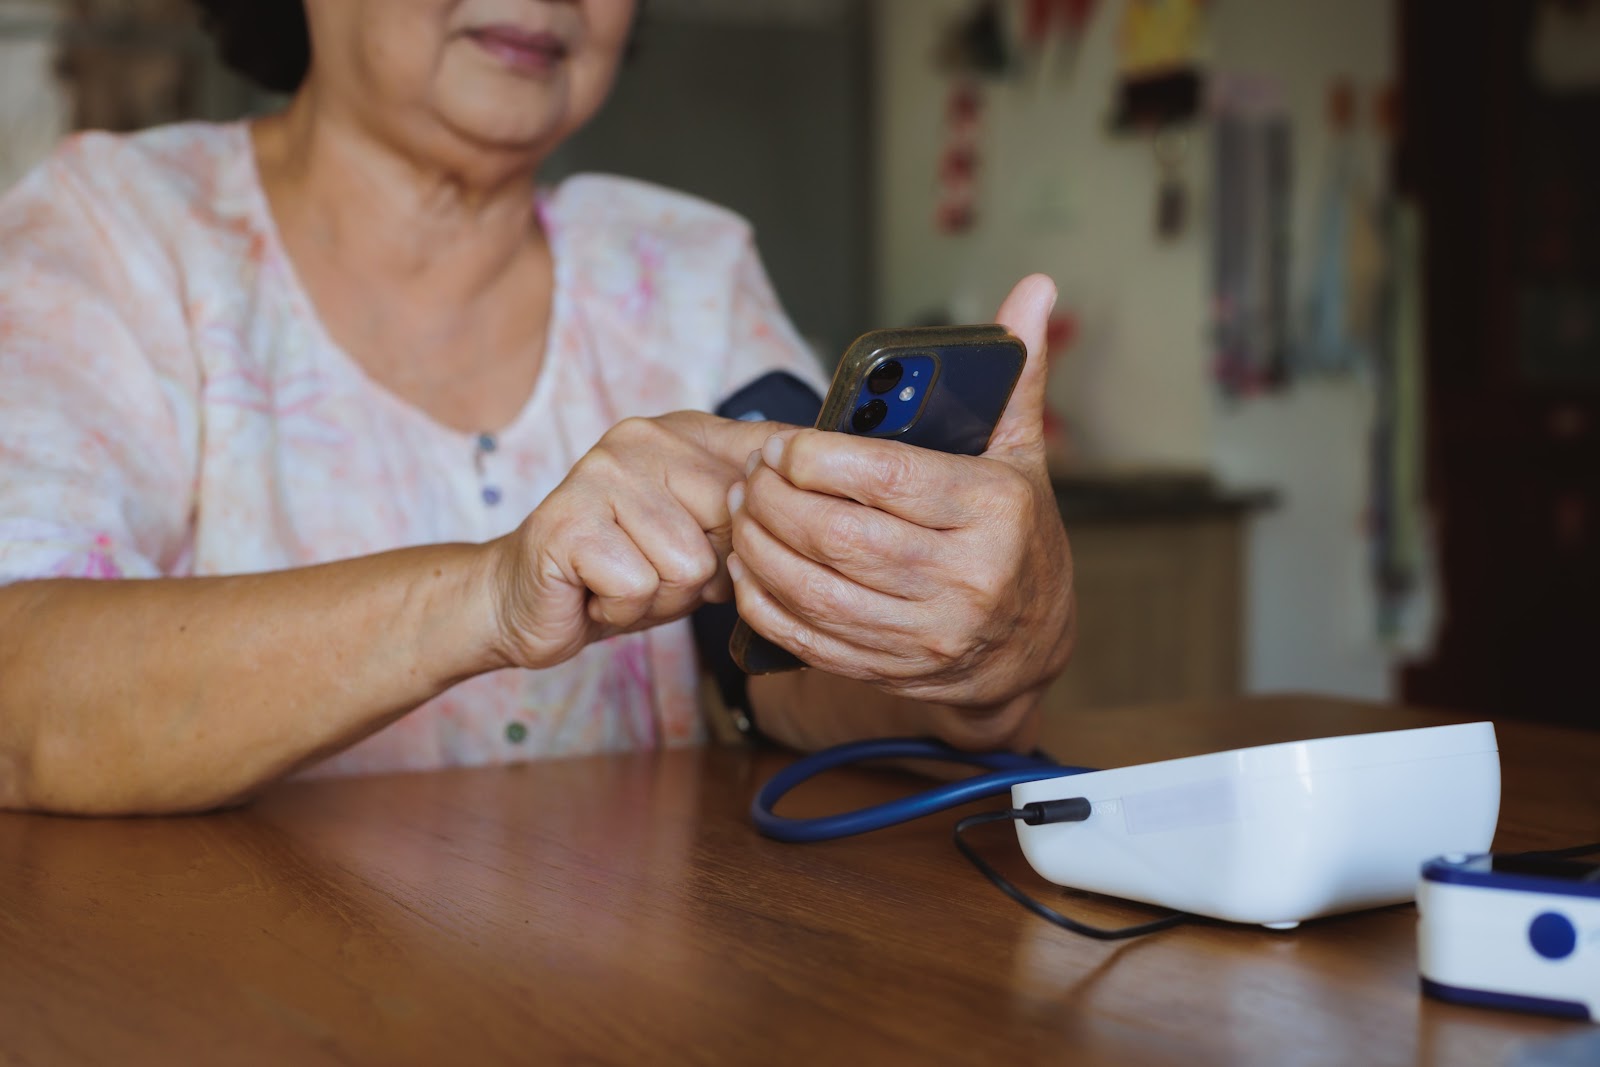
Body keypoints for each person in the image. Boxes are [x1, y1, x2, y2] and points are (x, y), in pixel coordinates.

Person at [0, 0, 1075, 816]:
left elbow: (778, 680)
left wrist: (974, 665)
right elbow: (20, 694)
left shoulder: (684, 268)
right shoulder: (117, 233)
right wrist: (488, 593)